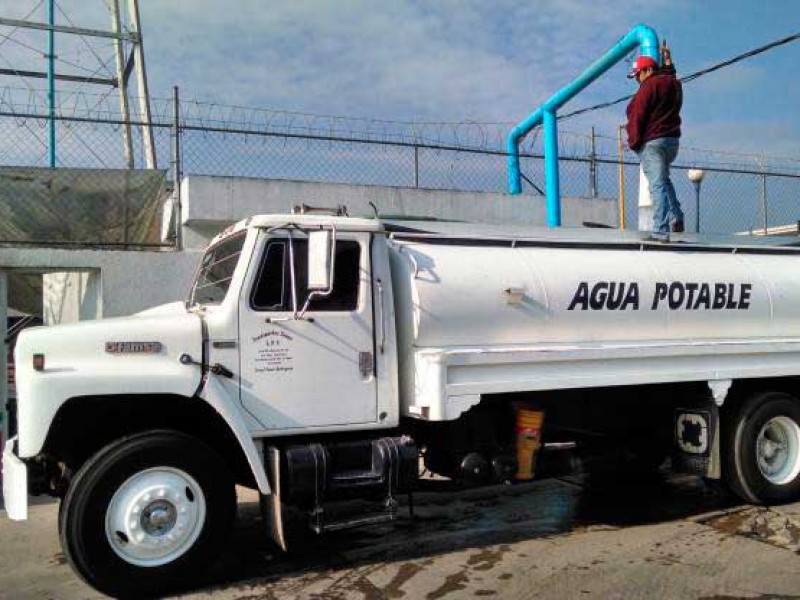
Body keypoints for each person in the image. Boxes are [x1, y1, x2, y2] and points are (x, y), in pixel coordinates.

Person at [626, 44, 684, 233]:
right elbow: (669, 77)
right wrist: (668, 61)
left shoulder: (647, 87)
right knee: (664, 180)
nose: (637, 79)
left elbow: (637, 115)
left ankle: (660, 230)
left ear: (648, 70)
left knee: (656, 184)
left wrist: (634, 143)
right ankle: (676, 217)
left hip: (653, 143)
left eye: (638, 74)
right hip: (672, 142)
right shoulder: (674, 85)